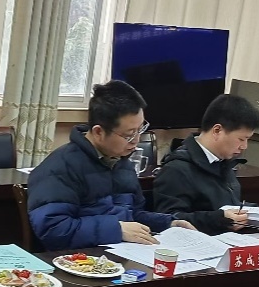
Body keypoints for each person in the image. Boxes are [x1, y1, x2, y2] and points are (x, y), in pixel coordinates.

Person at [27, 80, 194, 250]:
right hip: (79, 259)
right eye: (129, 135)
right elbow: (53, 230)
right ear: (99, 132)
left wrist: (168, 224)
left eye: (140, 130)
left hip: (123, 253)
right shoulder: (59, 168)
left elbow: (132, 215)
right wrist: (116, 229)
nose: (136, 141)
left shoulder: (122, 162)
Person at [151, 94, 259, 234]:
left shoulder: (223, 163)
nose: (244, 146)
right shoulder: (176, 169)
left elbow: (230, 205)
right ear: (217, 131)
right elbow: (169, 219)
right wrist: (218, 219)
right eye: (241, 139)